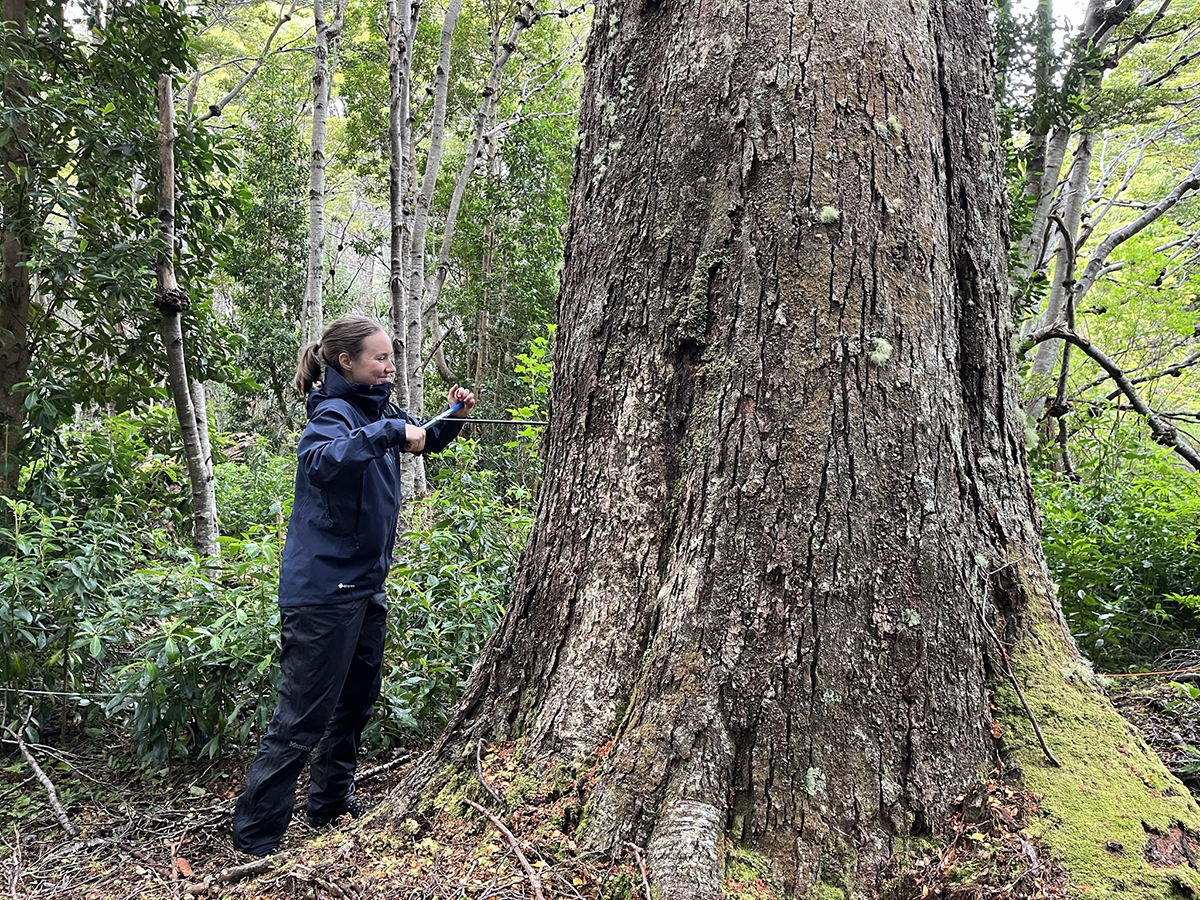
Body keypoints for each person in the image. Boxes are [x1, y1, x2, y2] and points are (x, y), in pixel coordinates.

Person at [232, 315, 475, 857]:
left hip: (365, 587)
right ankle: (256, 837)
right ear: (347, 363)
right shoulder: (334, 415)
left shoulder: (377, 407)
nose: (390, 367)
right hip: (322, 594)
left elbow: (423, 437)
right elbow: (322, 462)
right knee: (300, 718)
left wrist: (453, 416)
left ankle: (329, 807)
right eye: (381, 359)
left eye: (391, 358)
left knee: (354, 705)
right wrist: (389, 431)